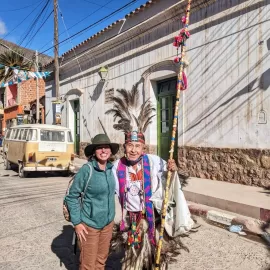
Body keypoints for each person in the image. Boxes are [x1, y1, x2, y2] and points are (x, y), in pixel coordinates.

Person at [112, 130, 195, 269]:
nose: (133, 150)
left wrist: (172, 170)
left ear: (143, 148)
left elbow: (169, 181)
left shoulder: (154, 162)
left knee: (157, 257)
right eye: (130, 145)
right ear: (124, 147)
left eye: (137, 146)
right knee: (134, 258)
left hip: (155, 219)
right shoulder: (116, 167)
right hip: (133, 221)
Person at [65, 134, 119, 270]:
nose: (103, 151)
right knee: (88, 264)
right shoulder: (86, 170)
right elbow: (72, 197)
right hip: (89, 226)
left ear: (110, 150)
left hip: (107, 224)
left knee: (101, 262)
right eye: (99, 148)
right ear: (94, 152)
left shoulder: (112, 169)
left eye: (106, 147)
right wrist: (77, 222)